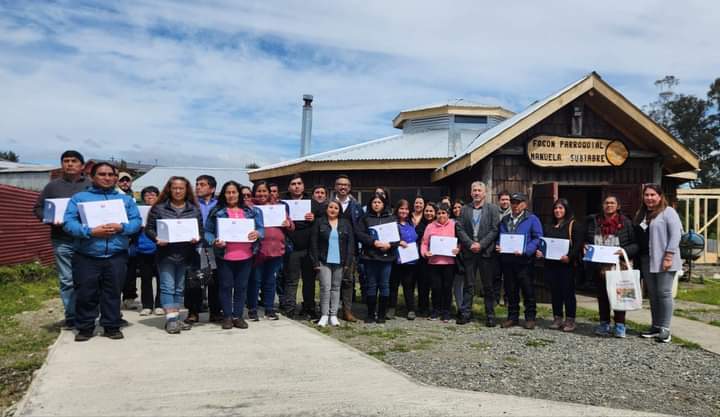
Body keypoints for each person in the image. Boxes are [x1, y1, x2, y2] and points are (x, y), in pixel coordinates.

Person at [63, 162, 142, 341]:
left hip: (116, 254)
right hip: (87, 254)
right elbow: (69, 223)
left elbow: (136, 222)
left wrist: (122, 227)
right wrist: (90, 232)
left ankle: (111, 325)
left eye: (111, 175)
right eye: (102, 174)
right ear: (92, 176)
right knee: (85, 293)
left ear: (115, 177)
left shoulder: (125, 200)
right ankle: (85, 327)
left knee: (113, 292)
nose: (107, 178)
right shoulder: (80, 198)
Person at [33, 150, 92, 330]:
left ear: (82, 165)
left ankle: (89, 314)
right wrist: (49, 218)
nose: (69, 164)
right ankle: (71, 317)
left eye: (74, 161)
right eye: (66, 161)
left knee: (88, 279)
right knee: (67, 280)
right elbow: (38, 208)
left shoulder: (90, 185)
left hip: (86, 239)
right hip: (62, 239)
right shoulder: (52, 186)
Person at [145, 176, 204, 334]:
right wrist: (156, 238)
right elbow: (149, 229)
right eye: (175, 188)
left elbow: (201, 232)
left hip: (186, 255)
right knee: (167, 287)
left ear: (186, 190)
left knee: (179, 289)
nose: (178, 191)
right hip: (166, 255)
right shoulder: (159, 208)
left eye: (181, 188)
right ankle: (171, 320)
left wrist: (197, 238)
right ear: (169, 189)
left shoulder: (194, 209)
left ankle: (176, 318)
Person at [205, 181, 264, 330]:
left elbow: (261, 229)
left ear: (239, 194)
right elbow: (207, 232)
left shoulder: (251, 211)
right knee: (225, 286)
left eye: (234, 192)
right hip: (225, 256)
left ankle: (238, 316)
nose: (231, 195)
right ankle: (227, 316)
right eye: (228, 192)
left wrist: (257, 233)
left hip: (246, 255)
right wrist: (214, 241)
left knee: (241, 287)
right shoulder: (217, 211)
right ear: (224, 194)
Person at [584, 195, 638, 338]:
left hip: (618, 265)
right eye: (607, 203)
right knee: (602, 296)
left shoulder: (626, 222)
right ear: (603, 205)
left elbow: (635, 244)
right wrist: (585, 246)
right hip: (599, 265)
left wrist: (624, 251)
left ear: (618, 206)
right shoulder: (594, 222)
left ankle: (620, 325)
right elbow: (587, 239)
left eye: (612, 203)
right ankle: (604, 323)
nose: (609, 205)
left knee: (620, 295)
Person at [634, 184, 682, 343]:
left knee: (664, 293)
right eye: (646, 195)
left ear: (660, 196)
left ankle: (665, 329)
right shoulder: (642, 214)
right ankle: (655, 326)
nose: (649, 198)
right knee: (653, 295)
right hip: (647, 259)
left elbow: (676, 235)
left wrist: (669, 256)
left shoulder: (668, 212)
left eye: (652, 195)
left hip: (664, 259)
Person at [455, 182, 500, 326]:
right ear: (470, 193)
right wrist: (470, 244)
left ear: (484, 193)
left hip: (485, 252)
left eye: (479, 190)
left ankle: (490, 315)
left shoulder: (492, 209)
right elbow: (460, 229)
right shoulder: (465, 209)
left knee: (488, 285)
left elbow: (494, 230)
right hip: (469, 251)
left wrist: (481, 245)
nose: (476, 193)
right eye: (474, 190)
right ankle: (465, 313)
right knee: (469, 285)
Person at [497, 192, 542, 330]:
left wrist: (526, 250)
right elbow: (501, 236)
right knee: (511, 290)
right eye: (513, 202)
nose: (515, 205)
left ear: (525, 204)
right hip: (508, 260)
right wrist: (499, 245)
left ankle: (530, 318)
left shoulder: (532, 219)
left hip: (525, 261)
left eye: (518, 202)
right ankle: (512, 317)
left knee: (528, 290)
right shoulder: (505, 219)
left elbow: (537, 238)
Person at [535, 199, 582, 332]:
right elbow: (544, 244)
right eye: (556, 208)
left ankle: (570, 319)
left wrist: (570, 257)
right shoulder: (549, 226)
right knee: (555, 292)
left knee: (568, 292)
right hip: (551, 264)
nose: (558, 211)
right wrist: (540, 252)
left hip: (567, 265)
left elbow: (578, 244)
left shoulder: (574, 225)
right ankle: (557, 318)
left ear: (566, 209)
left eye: (561, 208)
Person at [250, 181, 293, 320]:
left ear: (269, 192)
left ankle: (269, 309)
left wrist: (288, 223)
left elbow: (291, 226)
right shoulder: (250, 208)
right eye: (258, 191)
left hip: (276, 250)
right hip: (257, 251)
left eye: (264, 191)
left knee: (270, 281)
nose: (261, 194)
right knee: (255, 280)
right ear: (254, 192)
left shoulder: (278, 207)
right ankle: (253, 309)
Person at [280, 175, 320, 320]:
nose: (296, 186)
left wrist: (314, 217)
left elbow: (321, 219)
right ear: (289, 187)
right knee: (291, 280)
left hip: (309, 248)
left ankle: (309, 307)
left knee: (309, 281)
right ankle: (289, 308)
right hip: (291, 248)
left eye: (299, 183)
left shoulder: (312, 203)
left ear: (303, 186)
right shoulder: (282, 203)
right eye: (293, 184)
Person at [310, 200, 354, 326]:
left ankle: (333, 315)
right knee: (325, 287)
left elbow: (350, 244)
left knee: (336, 288)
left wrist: (348, 261)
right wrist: (315, 261)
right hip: (324, 260)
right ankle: (324, 315)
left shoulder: (345, 223)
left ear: (339, 211)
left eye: (336, 208)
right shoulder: (319, 222)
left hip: (340, 261)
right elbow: (314, 242)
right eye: (330, 207)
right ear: (326, 209)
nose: (333, 210)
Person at [356, 193, 397, 323]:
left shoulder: (391, 218)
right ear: (370, 204)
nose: (376, 204)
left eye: (379, 202)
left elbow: (397, 238)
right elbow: (360, 234)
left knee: (384, 285)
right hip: (370, 257)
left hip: (386, 258)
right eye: (374, 202)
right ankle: (370, 314)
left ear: (383, 204)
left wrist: (389, 244)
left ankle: (381, 314)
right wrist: (373, 242)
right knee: (371, 285)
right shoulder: (365, 218)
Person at [187, 175, 222, 323]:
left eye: (202, 184)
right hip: (195, 247)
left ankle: (215, 312)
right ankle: (193, 312)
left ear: (212, 188)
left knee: (215, 280)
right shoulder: (190, 204)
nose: (198, 187)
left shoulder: (220, 205)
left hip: (215, 248)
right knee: (193, 281)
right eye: (197, 184)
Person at [420, 203, 460, 322]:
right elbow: (424, 243)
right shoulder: (430, 226)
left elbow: (460, 241)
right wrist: (425, 253)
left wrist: (458, 249)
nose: (441, 215)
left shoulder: (454, 225)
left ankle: (446, 312)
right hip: (434, 263)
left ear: (448, 214)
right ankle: (436, 310)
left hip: (449, 263)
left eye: (444, 213)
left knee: (447, 288)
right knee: (436, 288)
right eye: (439, 213)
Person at [332, 175, 364, 322]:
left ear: (349, 188)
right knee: (331, 280)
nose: (343, 187)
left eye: (346, 185)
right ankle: (330, 311)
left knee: (348, 280)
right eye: (340, 184)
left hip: (349, 248)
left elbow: (361, 227)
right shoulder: (329, 204)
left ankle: (347, 311)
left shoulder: (356, 206)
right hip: (331, 247)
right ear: (335, 187)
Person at [389, 199, 419, 320]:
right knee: (393, 285)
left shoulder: (411, 223)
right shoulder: (392, 223)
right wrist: (398, 242)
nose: (404, 211)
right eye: (401, 208)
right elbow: (388, 239)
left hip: (410, 260)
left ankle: (411, 309)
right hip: (396, 260)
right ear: (397, 210)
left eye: (406, 209)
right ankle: (391, 308)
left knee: (408, 285)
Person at [137, 186, 162, 316]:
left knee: (161, 278)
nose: (150, 197)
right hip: (143, 249)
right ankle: (147, 305)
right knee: (145, 279)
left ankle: (159, 304)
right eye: (146, 195)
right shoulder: (138, 210)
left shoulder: (162, 210)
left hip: (160, 248)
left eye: (153, 194)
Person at [415, 202, 436, 316]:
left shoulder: (439, 224)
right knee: (423, 285)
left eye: (431, 211)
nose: (429, 213)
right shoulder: (420, 225)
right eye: (427, 211)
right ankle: (423, 308)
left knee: (435, 284)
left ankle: (436, 307)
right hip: (423, 259)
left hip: (437, 259)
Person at [494, 190, 512, 306]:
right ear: (499, 201)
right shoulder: (494, 212)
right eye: (503, 199)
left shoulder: (514, 213)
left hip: (509, 249)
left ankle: (507, 299)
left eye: (507, 199)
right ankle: (495, 299)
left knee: (508, 276)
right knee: (496, 275)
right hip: (496, 247)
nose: (505, 202)